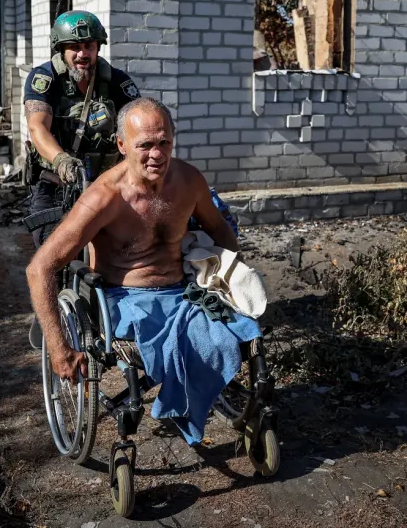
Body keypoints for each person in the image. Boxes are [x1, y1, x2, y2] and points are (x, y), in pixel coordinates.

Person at [25, 98, 261, 443]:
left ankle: (204, 401)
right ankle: (184, 402)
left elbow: (219, 228)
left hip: (183, 292)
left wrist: (230, 272)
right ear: (121, 145)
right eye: (145, 145)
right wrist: (59, 348)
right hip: (126, 300)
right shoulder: (104, 197)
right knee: (191, 344)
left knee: (241, 330)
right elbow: (40, 268)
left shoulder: (188, 181)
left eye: (164, 142)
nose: (157, 154)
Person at [23, 10, 140, 246]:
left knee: (119, 251)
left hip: (104, 184)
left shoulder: (116, 81)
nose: (82, 54)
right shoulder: (45, 79)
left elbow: (138, 124)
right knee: (53, 253)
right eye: (74, 47)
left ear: (98, 47)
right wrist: (61, 160)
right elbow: (38, 127)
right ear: (61, 49)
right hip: (55, 185)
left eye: (89, 46)